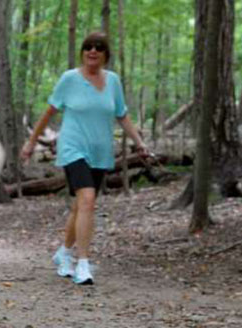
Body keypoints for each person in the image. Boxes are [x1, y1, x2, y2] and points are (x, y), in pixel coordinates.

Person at [20, 32, 149, 285]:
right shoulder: (69, 79)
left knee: (82, 206)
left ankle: (64, 253)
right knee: (88, 200)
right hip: (72, 147)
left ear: (105, 55)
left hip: (100, 152)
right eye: (88, 47)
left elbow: (122, 115)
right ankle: (83, 264)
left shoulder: (113, 81)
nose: (93, 51)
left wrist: (140, 143)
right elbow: (49, 112)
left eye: (99, 48)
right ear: (82, 52)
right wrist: (31, 142)